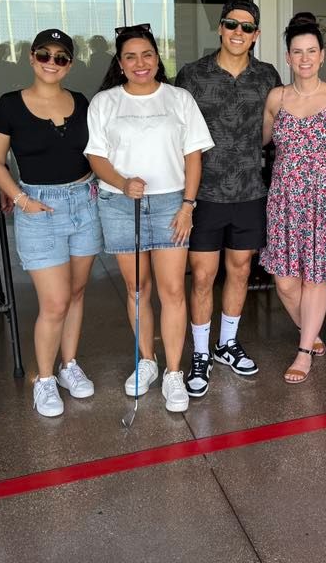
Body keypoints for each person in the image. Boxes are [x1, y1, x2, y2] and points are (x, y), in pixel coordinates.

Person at [86, 23, 214, 413]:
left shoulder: (178, 98)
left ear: (158, 59)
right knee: (138, 288)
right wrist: (123, 183)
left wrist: (188, 205)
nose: (140, 63)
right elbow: (96, 156)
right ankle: (147, 361)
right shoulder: (105, 102)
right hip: (121, 203)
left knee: (172, 289)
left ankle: (174, 372)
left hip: (172, 203)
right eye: (130, 57)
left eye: (147, 55)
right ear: (121, 64)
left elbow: (193, 154)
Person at [0, 28, 102, 418]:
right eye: (44, 54)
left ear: (70, 64)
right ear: (32, 58)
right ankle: (45, 379)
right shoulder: (10, 105)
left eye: (61, 57)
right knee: (53, 302)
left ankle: (69, 366)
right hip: (39, 207)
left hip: (84, 202)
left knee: (76, 294)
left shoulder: (82, 102)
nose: (52, 62)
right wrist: (20, 198)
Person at [174, 0, 281, 397]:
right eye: (231, 25)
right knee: (203, 276)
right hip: (203, 194)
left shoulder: (267, 76)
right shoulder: (193, 75)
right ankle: (200, 353)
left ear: (256, 35)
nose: (238, 32)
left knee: (239, 271)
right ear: (220, 28)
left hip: (251, 191)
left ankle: (227, 344)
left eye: (247, 27)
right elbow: (177, 132)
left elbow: (273, 128)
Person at [260, 13, 326, 383]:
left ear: (321, 56)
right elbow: (263, 141)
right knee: (285, 280)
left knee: (314, 275)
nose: (304, 58)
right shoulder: (276, 97)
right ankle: (311, 331)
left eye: (311, 51)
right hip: (284, 197)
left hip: (324, 197)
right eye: (297, 52)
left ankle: (303, 351)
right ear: (287, 57)